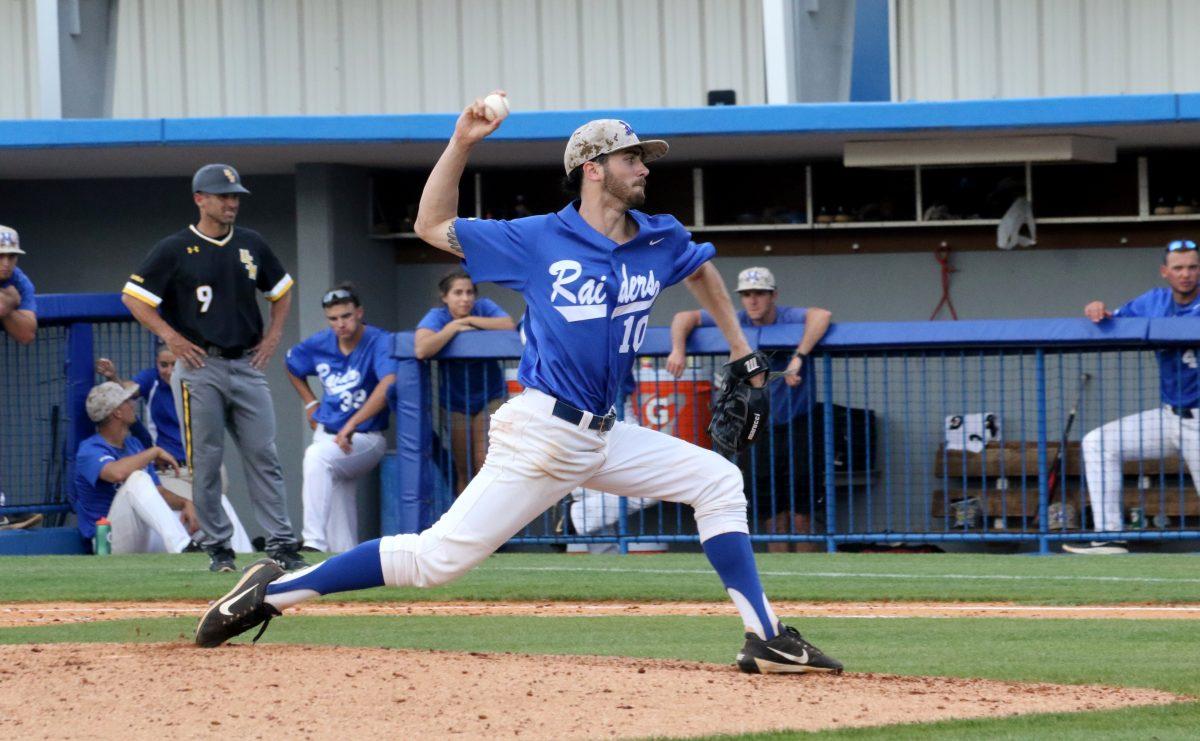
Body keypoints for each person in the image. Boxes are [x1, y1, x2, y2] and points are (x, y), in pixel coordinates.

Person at [195, 95, 843, 676]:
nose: (644, 167)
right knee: (435, 560)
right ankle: (272, 592)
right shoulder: (538, 239)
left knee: (718, 480)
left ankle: (765, 637)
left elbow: (700, 271)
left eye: (644, 158)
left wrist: (741, 352)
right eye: (631, 158)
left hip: (602, 433)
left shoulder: (659, 235)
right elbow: (430, 226)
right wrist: (462, 143)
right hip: (541, 433)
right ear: (593, 168)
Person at [120, 163, 306, 573]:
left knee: (264, 454)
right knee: (206, 458)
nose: (231, 202)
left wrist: (274, 335)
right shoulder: (175, 248)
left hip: (245, 363)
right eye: (223, 196)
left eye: (235, 195)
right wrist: (171, 337)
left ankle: (280, 541)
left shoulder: (251, 244)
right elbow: (133, 297)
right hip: (199, 364)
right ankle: (218, 546)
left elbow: (281, 290)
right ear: (199, 199)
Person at [666, 267, 832, 553]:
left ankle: (809, 587)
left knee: (802, 513)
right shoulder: (737, 319)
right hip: (758, 428)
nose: (753, 301)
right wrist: (677, 349)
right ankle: (783, 581)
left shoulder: (788, 316)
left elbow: (822, 315)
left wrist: (798, 357)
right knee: (771, 513)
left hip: (798, 424)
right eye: (746, 295)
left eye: (759, 294)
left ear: (773, 295)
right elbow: (684, 317)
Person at [1069, 238, 1200, 554]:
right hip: (1169, 416)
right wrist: (1098, 309)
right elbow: (1111, 319)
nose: (1186, 274)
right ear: (1165, 272)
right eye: (1178, 267)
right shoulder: (1154, 301)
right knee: (1098, 443)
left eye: (1193, 267)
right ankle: (1109, 536)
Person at [94, 351, 252, 553]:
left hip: (200, 464)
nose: (168, 371)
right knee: (171, 500)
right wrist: (113, 378)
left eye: (173, 365)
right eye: (163, 365)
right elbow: (125, 395)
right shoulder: (152, 380)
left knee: (218, 503)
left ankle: (243, 556)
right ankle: (185, 547)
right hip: (171, 471)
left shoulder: (199, 378)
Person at [285, 284, 397, 553]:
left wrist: (352, 423)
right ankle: (345, 557)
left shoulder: (379, 340)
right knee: (338, 502)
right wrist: (310, 402)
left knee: (317, 457)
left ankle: (312, 542)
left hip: (365, 437)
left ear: (359, 312)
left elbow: (388, 384)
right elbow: (291, 363)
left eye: (346, 316)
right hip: (329, 432)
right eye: (334, 318)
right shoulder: (321, 343)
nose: (340, 324)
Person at [414, 269, 515, 495]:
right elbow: (421, 348)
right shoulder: (438, 317)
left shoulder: (483, 308)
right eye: (458, 293)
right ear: (445, 297)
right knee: (464, 468)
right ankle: (465, 527)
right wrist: (453, 328)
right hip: (455, 402)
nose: (465, 298)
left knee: (484, 462)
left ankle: (492, 525)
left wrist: (469, 320)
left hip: (491, 395)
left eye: (469, 292)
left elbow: (508, 324)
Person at [74, 382, 199, 554]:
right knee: (137, 479)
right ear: (117, 412)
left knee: (209, 504)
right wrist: (154, 452)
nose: (133, 404)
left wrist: (187, 502)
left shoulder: (134, 445)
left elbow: (158, 492)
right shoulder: (89, 449)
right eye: (127, 401)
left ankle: (236, 557)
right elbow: (116, 473)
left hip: (143, 534)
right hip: (108, 541)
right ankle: (183, 547)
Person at [0, 224, 41, 530]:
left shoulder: (19, 280)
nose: (6, 263)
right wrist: (8, 303)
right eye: (0, 256)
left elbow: (26, 333)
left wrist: (6, 306)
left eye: (11, 256)